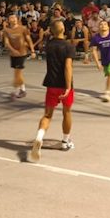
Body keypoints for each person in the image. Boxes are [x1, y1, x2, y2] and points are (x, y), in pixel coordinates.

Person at [29, 21, 75, 162]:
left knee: (47, 115)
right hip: (64, 85)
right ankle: (65, 141)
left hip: (51, 84)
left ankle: (39, 137)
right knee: (66, 112)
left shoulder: (49, 46)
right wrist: (68, 87)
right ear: (63, 29)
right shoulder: (68, 46)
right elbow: (68, 67)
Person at [3, 14, 35, 99]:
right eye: (11, 17)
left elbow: (28, 39)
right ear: (8, 20)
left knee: (17, 73)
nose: (12, 19)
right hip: (13, 54)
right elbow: (6, 43)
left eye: (14, 17)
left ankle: (17, 91)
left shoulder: (23, 28)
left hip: (22, 53)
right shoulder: (6, 30)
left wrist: (32, 50)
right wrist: (13, 51)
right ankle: (22, 89)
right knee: (18, 73)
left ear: (17, 19)